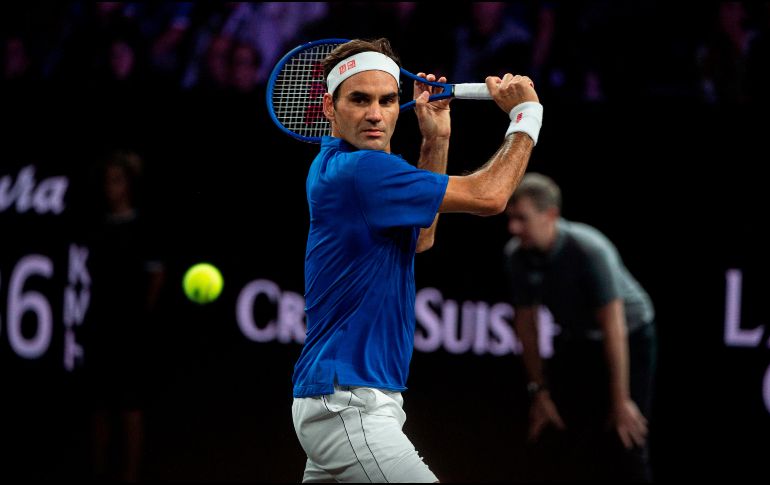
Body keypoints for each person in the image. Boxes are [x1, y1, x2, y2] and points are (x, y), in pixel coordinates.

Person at [290, 37, 543, 483]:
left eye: (388, 100)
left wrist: (436, 139)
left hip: (345, 400)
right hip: (349, 403)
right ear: (329, 107)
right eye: (360, 100)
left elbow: (421, 238)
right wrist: (527, 117)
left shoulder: (341, 165)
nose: (376, 114)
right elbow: (491, 196)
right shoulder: (363, 171)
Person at [502, 172, 657, 482]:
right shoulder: (516, 256)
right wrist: (540, 391)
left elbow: (613, 326)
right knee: (559, 428)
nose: (513, 228)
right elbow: (526, 326)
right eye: (511, 218)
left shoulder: (589, 249)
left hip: (630, 335)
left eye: (522, 218)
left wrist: (620, 399)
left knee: (625, 434)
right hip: (579, 337)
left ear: (550, 216)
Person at [83, 149, 166, 482]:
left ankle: (130, 475)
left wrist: (139, 317)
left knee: (131, 406)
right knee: (100, 407)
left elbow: (156, 277)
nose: (110, 187)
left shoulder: (143, 227)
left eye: (117, 180)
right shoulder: (99, 226)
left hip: (131, 331)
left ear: (129, 185)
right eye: (107, 181)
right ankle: (98, 470)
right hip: (99, 327)